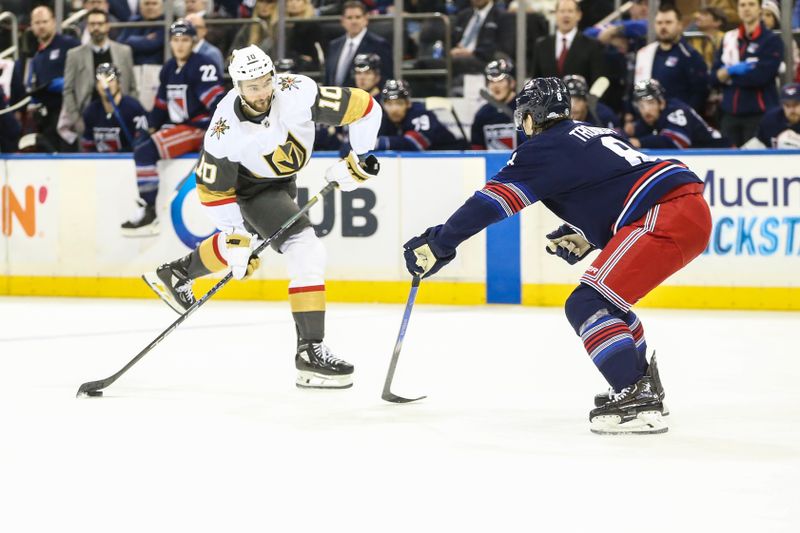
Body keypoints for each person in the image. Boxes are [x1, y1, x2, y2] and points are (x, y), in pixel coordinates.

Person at [403, 77, 712, 435]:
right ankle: (639, 383)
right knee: (610, 304)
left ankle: (636, 390)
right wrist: (587, 236)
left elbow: (490, 203)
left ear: (531, 117)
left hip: (664, 212)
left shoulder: (543, 148)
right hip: (681, 209)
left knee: (585, 304)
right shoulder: (590, 133)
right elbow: (619, 186)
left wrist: (440, 243)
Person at [142, 45, 383, 389]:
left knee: (252, 245)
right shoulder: (224, 130)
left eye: (265, 82)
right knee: (305, 249)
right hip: (252, 188)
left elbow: (365, 107)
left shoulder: (296, 91)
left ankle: (177, 272)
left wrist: (360, 157)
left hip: (282, 180)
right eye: (251, 86)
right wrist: (233, 234)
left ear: (274, 77)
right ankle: (310, 351)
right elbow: (211, 190)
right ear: (236, 87)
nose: (261, 92)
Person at [121, 20, 225, 236]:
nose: (180, 45)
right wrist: (149, 127)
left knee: (146, 151)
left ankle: (149, 210)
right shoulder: (169, 68)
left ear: (193, 41)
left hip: (198, 128)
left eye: (185, 40)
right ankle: (147, 207)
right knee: (140, 144)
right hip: (178, 126)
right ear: (169, 42)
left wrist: (217, 130)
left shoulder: (202, 65)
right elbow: (161, 105)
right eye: (176, 40)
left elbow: (216, 102)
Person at [60, 9, 137, 147]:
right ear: (87, 26)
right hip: (88, 120)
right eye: (92, 24)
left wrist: (129, 114)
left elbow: (132, 86)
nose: (96, 28)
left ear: (107, 25)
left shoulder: (124, 51)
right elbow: (68, 90)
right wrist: (78, 122)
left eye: (100, 24)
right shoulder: (74, 55)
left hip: (120, 118)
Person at [712, 0, 784, 146]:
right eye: (743, 5)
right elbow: (713, 78)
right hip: (729, 114)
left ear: (759, 10)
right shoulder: (729, 39)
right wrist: (733, 71)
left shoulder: (771, 40)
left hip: (758, 116)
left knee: (756, 165)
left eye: (751, 4)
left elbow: (760, 77)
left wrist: (727, 74)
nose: (746, 9)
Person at [634, 4, 709, 113]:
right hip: (648, 117)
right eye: (659, 23)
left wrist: (686, 116)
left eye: (668, 22)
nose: (663, 27)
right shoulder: (645, 53)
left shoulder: (690, 55)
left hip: (678, 120)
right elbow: (636, 87)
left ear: (679, 25)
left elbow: (700, 92)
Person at [27, 5, 80, 150]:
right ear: (31, 26)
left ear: (54, 22)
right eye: (37, 23)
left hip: (69, 112)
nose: (41, 26)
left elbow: (84, 71)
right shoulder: (37, 55)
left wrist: (67, 83)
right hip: (47, 116)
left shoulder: (69, 44)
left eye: (44, 21)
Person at [626, 79, 730, 149]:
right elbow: (634, 131)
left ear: (661, 103)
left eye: (650, 103)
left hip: (724, 153)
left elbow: (679, 140)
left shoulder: (676, 110)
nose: (646, 110)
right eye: (641, 106)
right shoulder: (653, 117)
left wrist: (639, 142)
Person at [530, 0, 607, 83]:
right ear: (555, 14)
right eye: (562, 11)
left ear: (579, 15)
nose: (566, 15)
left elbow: (597, 81)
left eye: (570, 11)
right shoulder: (542, 45)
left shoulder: (592, 45)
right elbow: (535, 81)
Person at [81, 63, 148, 153]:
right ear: (96, 85)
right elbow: (88, 146)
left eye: (111, 80)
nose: (106, 85)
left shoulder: (133, 108)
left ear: (119, 83)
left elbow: (142, 141)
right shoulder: (91, 111)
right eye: (101, 80)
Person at [376, 79, 459, 151]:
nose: (394, 109)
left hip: (454, 158)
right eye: (389, 104)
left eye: (399, 103)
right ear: (383, 105)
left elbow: (415, 144)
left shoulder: (421, 113)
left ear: (408, 103)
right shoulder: (385, 118)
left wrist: (379, 142)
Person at [325, 1, 393, 87]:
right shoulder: (334, 45)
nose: (354, 21)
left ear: (366, 19)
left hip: (363, 99)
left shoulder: (379, 45)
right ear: (342, 21)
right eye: (349, 17)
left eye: (358, 17)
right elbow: (328, 78)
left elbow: (386, 78)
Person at [471, 58, 522, 150]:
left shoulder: (527, 108)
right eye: (492, 82)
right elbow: (477, 150)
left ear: (512, 83)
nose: (496, 86)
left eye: (500, 81)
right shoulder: (482, 115)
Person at [449, 0, 504, 76]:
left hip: (483, 58)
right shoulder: (463, 14)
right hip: (456, 54)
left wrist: (471, 52)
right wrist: (451, 50)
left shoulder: (500, 15)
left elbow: (498, 46)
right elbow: (451, 39)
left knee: (453, 62)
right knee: (429, 63)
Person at [117, 0, 166, 65]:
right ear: (140, 7)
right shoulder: (134, 21)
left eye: (154, 4)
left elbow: (150, 45)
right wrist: (144, 39)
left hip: (155, 66)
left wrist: (130, 40)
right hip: (131, 65)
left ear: (161, 7)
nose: (150, 7)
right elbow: (119, 44)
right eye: (147, 3)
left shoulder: (165, 23)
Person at [752, 82, 800, 148]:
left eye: (796, 104)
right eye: (787, 105)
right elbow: (757, 143)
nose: (791, 110)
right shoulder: (770, 120)